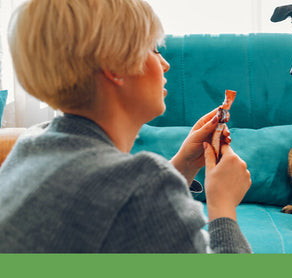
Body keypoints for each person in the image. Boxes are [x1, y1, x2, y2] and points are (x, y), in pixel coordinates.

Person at [0, 0, 252, 253]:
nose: (166, 64)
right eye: (154, 50)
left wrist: (184, 165)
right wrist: (223, 206)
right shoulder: (144, 186)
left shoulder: (29, 145)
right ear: (115, 65)